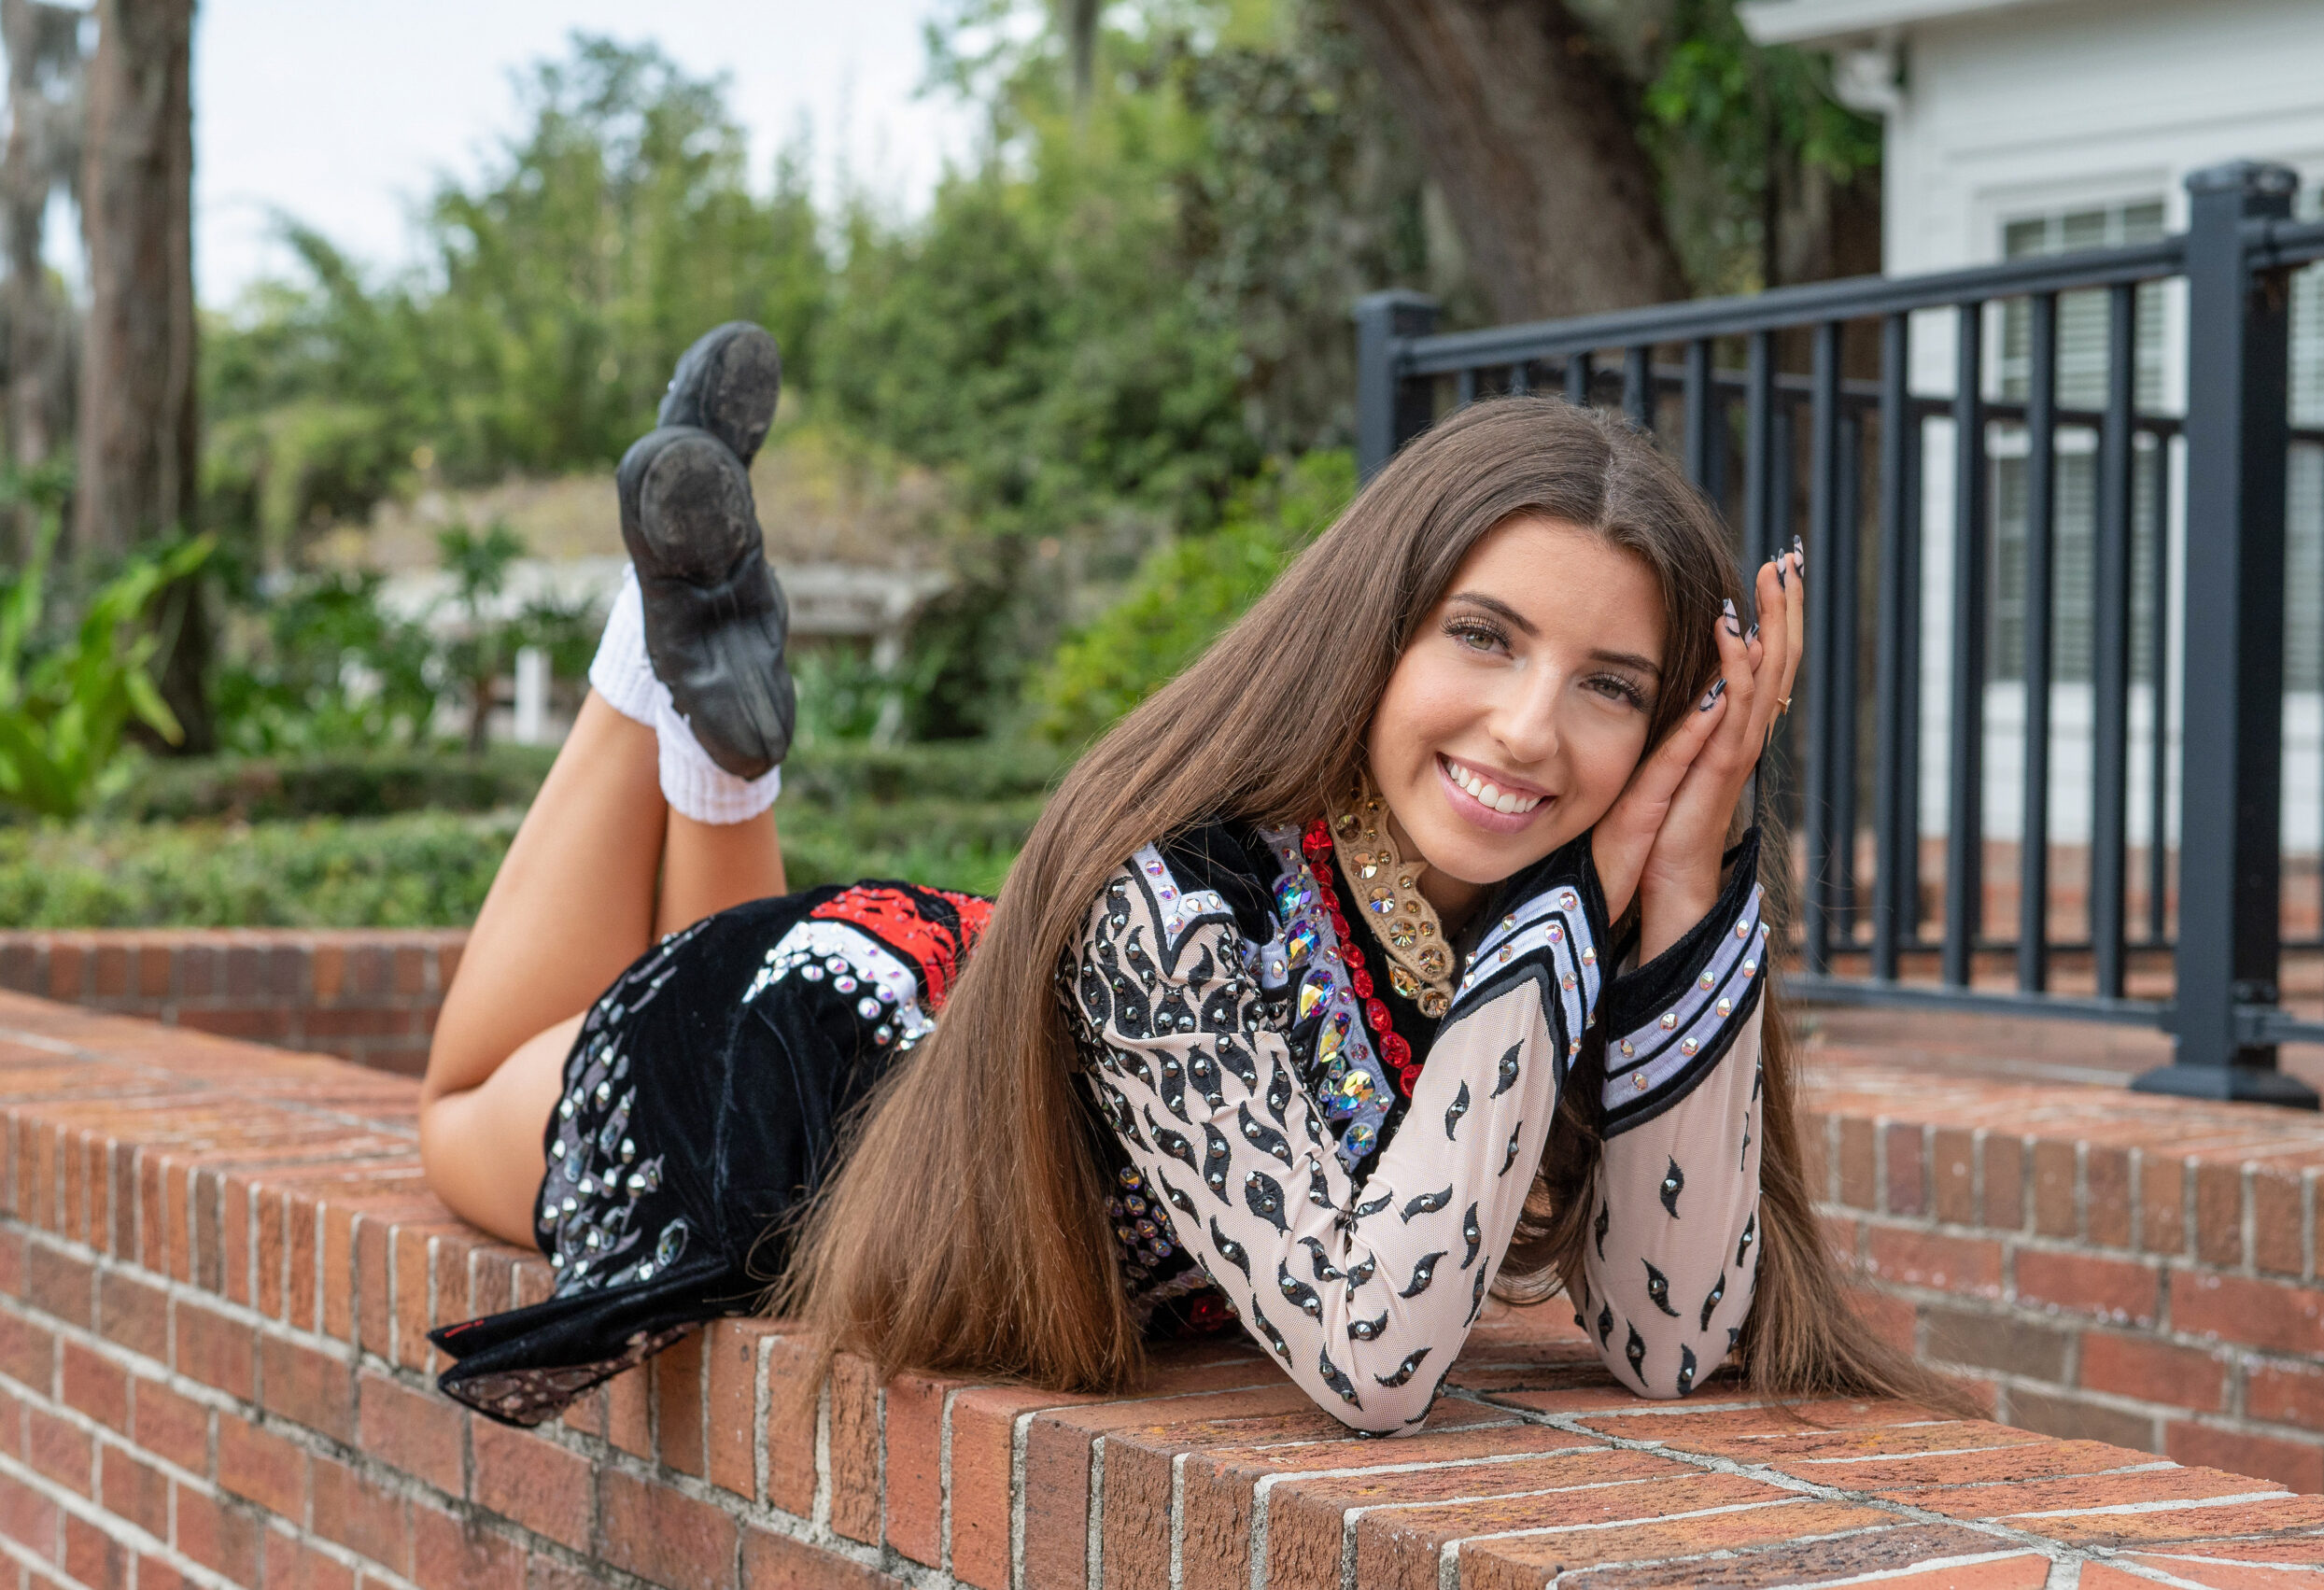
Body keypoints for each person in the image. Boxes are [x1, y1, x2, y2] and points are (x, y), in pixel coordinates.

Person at [420, 324, 1946, 1433]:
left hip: (923, 1076)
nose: (1532, 730)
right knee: (456, 1104)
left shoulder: (1559, 920)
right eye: (1483, 637)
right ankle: (658, 645)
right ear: (1376, 634)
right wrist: (1588, 891)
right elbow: (1375, 1356)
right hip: (807, 1046)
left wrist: (1687, 880)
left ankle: (714, 684)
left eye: (1613, 686)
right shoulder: (1178, 902)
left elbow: (1672, 1348)